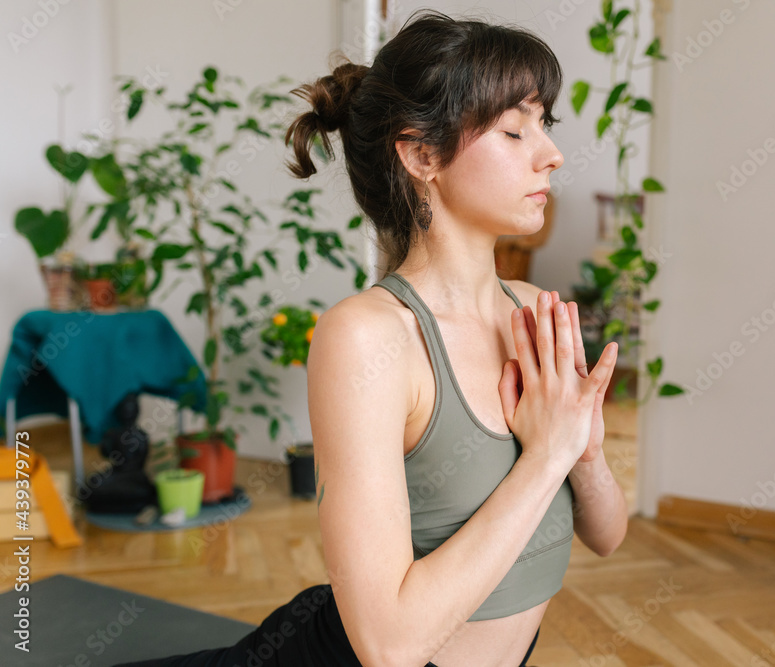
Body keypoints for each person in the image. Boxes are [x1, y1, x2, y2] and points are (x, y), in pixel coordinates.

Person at [114, 8, 624, 666]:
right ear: (421, 155)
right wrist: (547, 455)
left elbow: (606, 534)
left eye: (544, 125)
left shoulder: (535, 312)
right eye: (513, 129)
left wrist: (583, 450)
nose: (551, 153)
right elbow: (388, 645)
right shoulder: (368, 336)